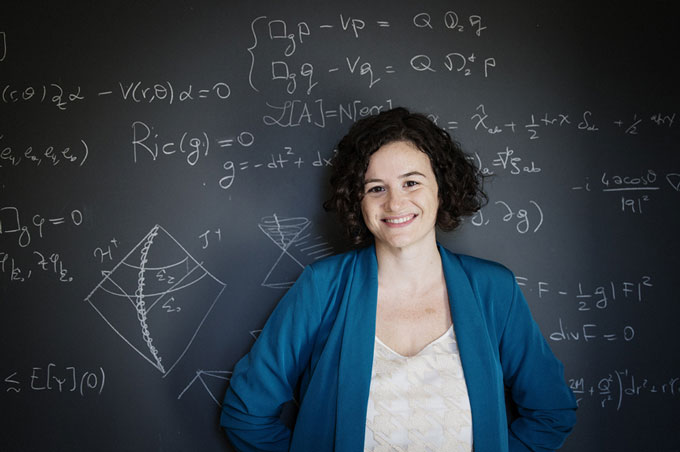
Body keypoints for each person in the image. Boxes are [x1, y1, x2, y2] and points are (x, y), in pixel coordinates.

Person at [220, 107, 577, 451]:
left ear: (442, 188)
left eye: (411, 182)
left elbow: (551, 413)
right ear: (358, 200)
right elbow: (245, 414)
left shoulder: (494, 290)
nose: (394, 203)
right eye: (376, 188)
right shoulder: (321, 288)